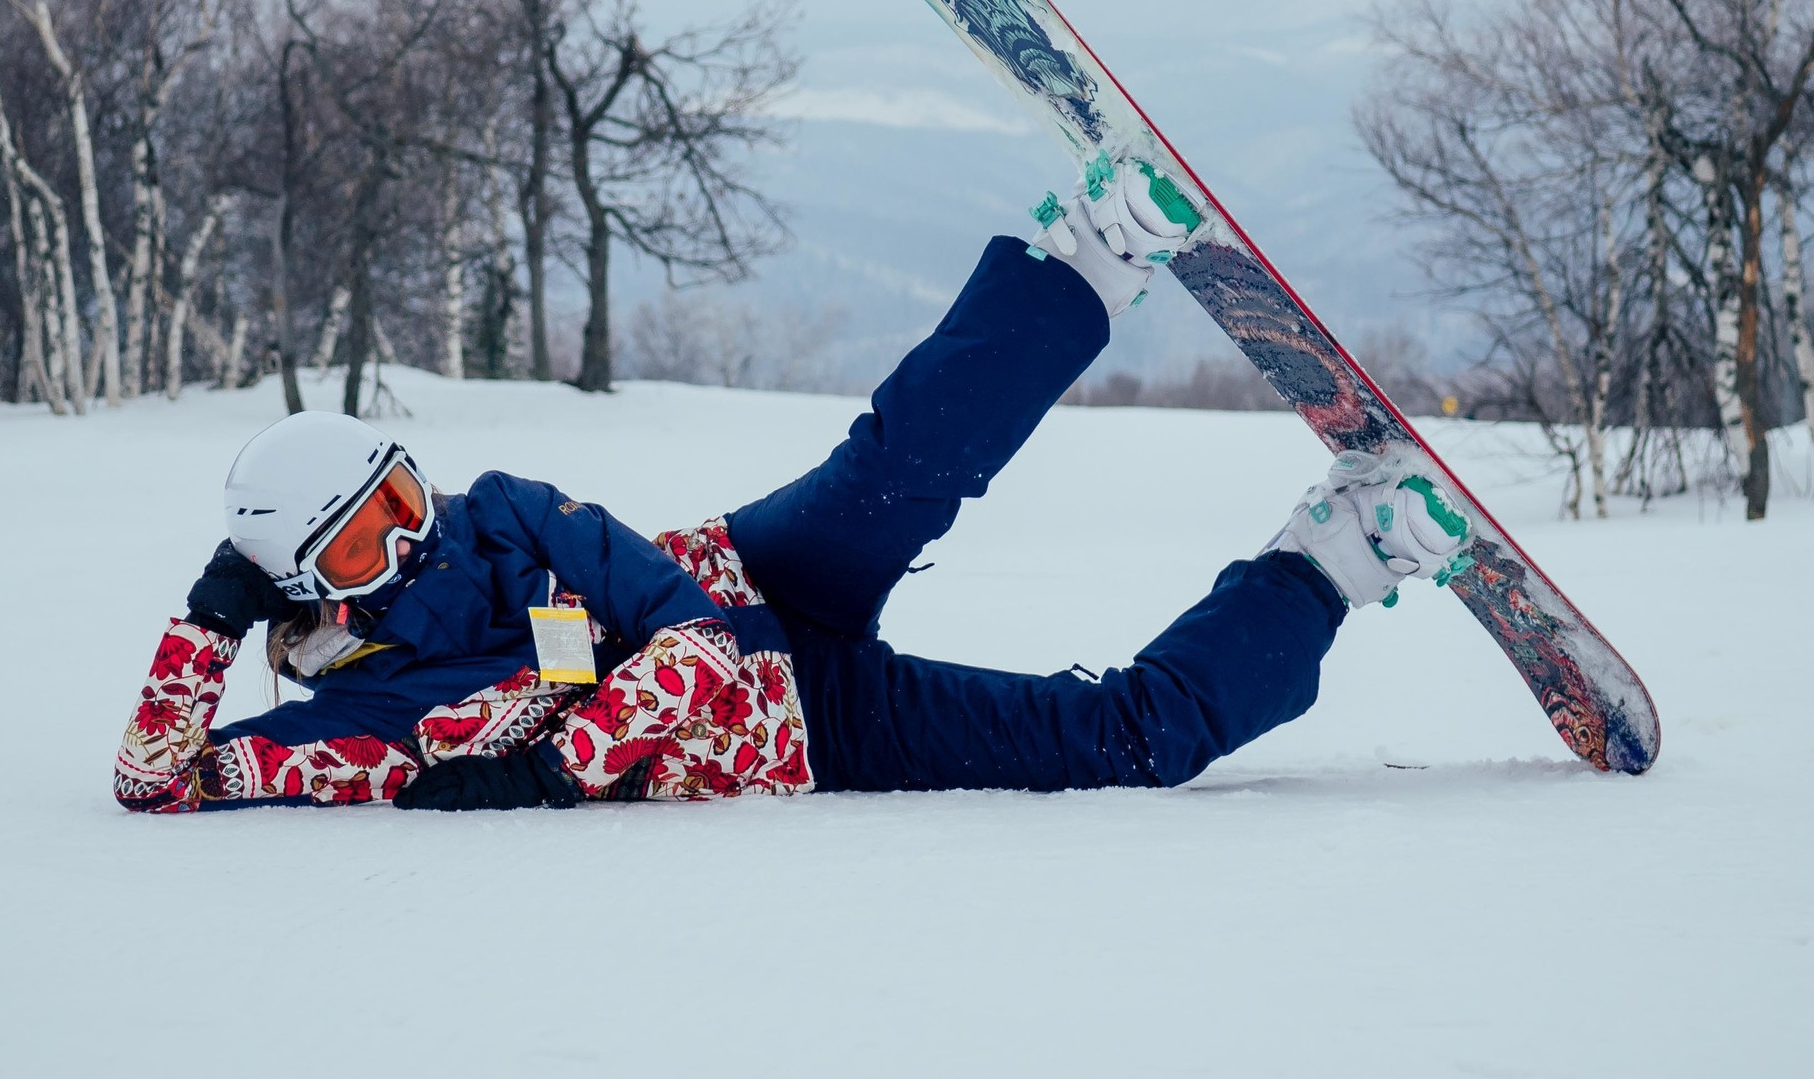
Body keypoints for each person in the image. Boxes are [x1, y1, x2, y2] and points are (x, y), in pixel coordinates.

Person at [112, 148, 1476, 814]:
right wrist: (206, 620)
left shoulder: (504, 509)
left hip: (754, 578)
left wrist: (584, 724)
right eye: (364, 547)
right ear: (308, 587)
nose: (414, 541)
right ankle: (1340, 558)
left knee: (905, 468)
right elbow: (158, 784)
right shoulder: (358, 727)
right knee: (1118, 744)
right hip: (811, 731)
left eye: (405, 498)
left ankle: (1094, 256)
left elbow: (668, 619)